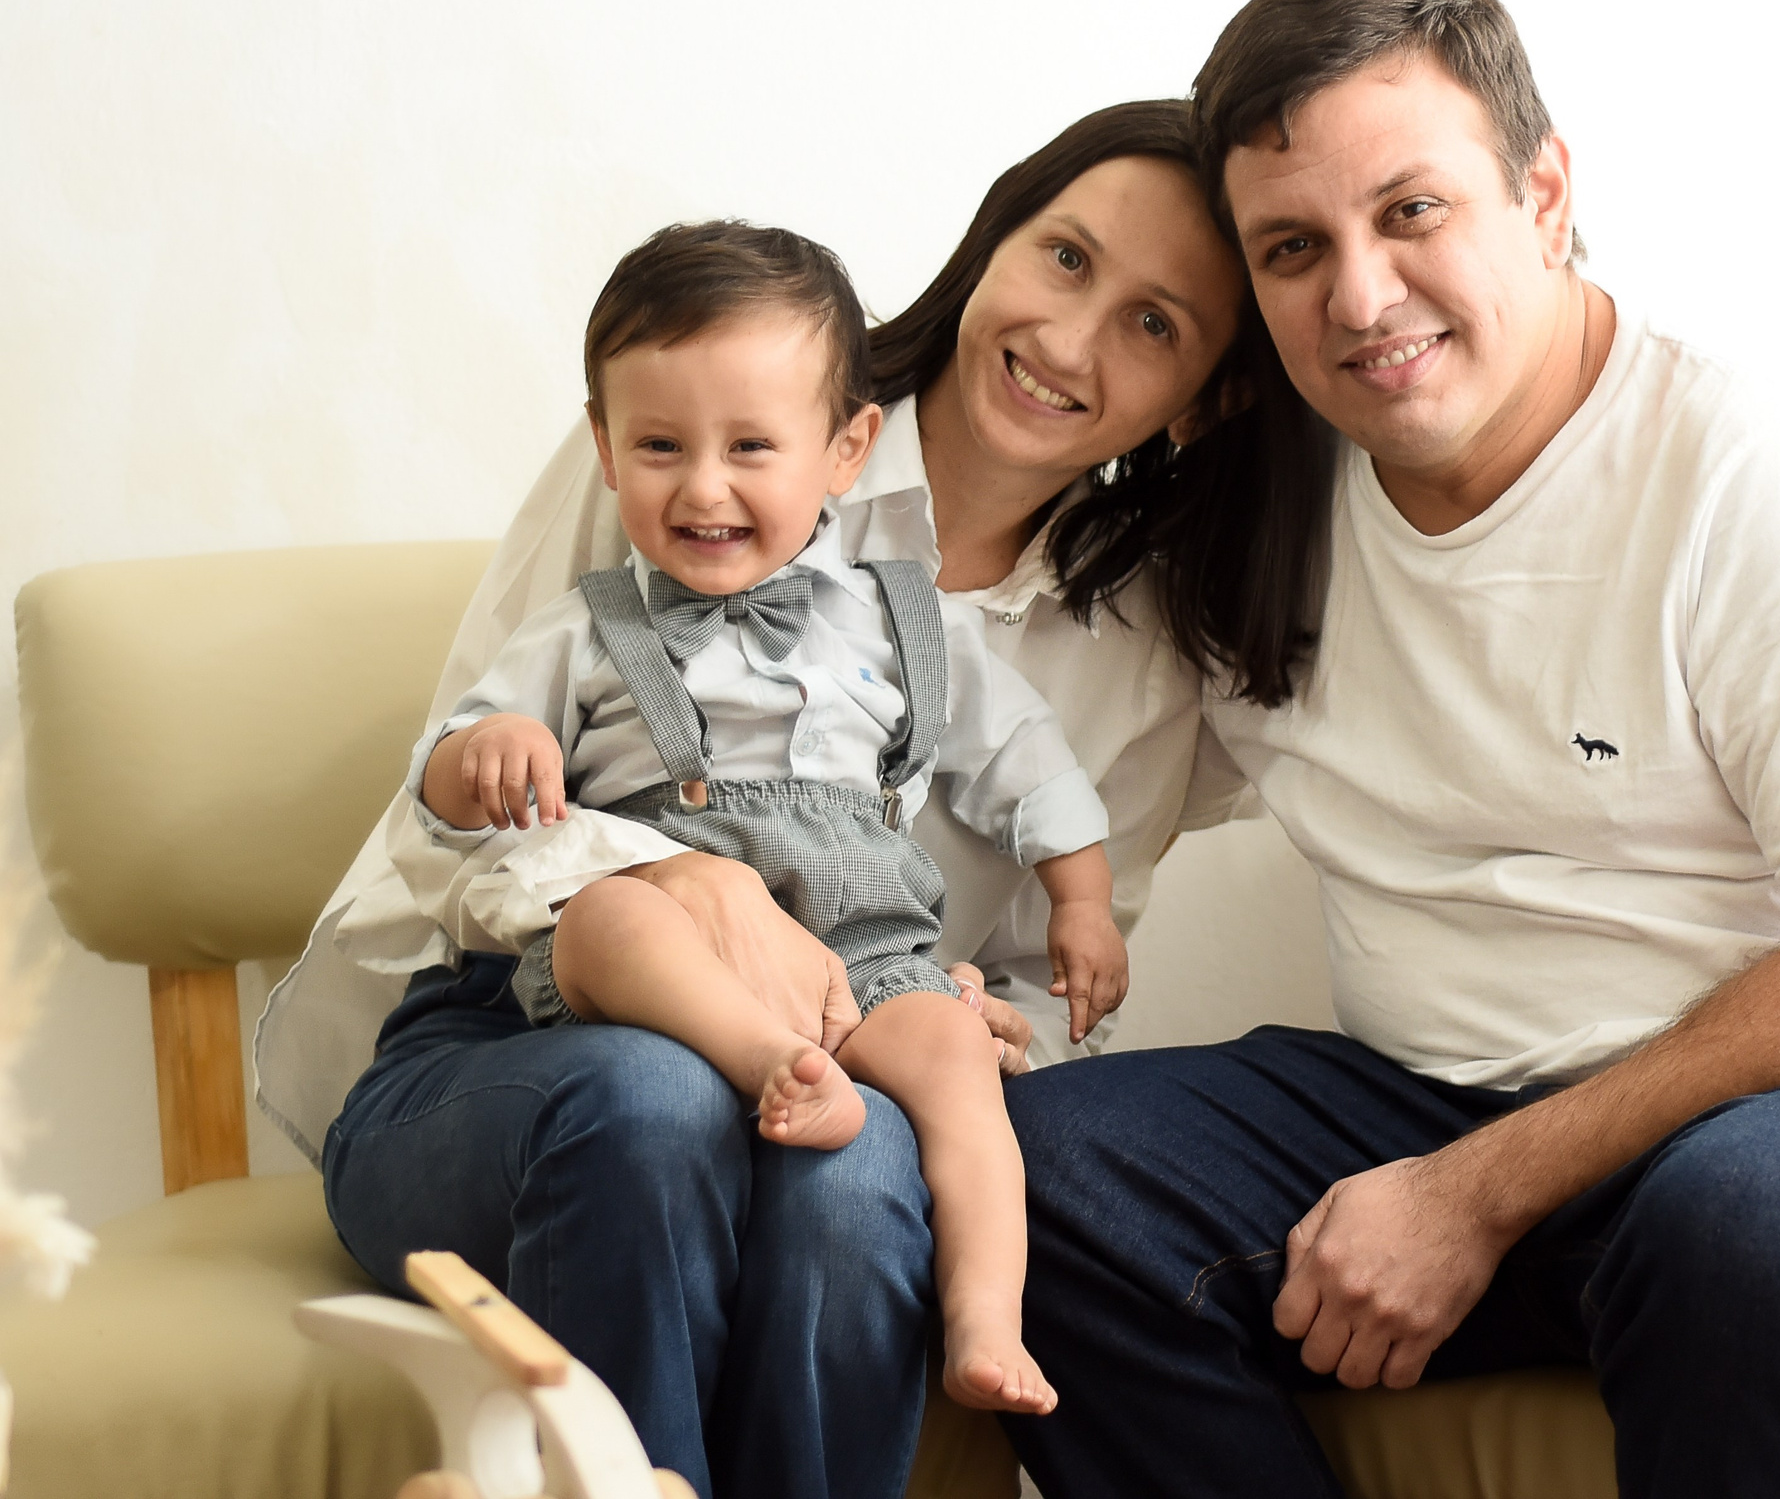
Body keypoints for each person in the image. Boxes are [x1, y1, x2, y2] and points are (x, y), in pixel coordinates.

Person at [1002, 0, 1780, 1499]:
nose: (1362, 296)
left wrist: (1476, 1191)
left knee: (1748, 1230)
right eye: (1293, 247)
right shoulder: (1260, 506)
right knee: (1036, 1179)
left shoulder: (1739, 483)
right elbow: (1018, 746)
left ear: (1543, 191)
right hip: (1449, 1097)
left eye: (1412, 210)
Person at [252, 100, 1329, 1499]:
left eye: (1155, 323)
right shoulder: (697, 426)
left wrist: (999, 1020)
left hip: (854, 1057)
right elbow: (455, 808)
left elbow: (1058, 961)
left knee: (855, 1186)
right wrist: (662, 881)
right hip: (520, 1045)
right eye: (1064, 259)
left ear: (1205, 389)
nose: (1072, 339)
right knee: (648, 1093)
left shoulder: (1149, 646)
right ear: (994, 237)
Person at [409, 219, 1134, 1411]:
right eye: (658, 445)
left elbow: (1026, 759)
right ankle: (776, 1063)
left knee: (956, 1060)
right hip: (677, 948)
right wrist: (490, 750)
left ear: (847, 448)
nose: (703, 487)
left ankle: (986, 1319)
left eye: (751, 444)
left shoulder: (907, 618)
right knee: (602, 927)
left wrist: (1084, 901)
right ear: (603, 446)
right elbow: (444, 774)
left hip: (867, 951)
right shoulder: (585, 629)